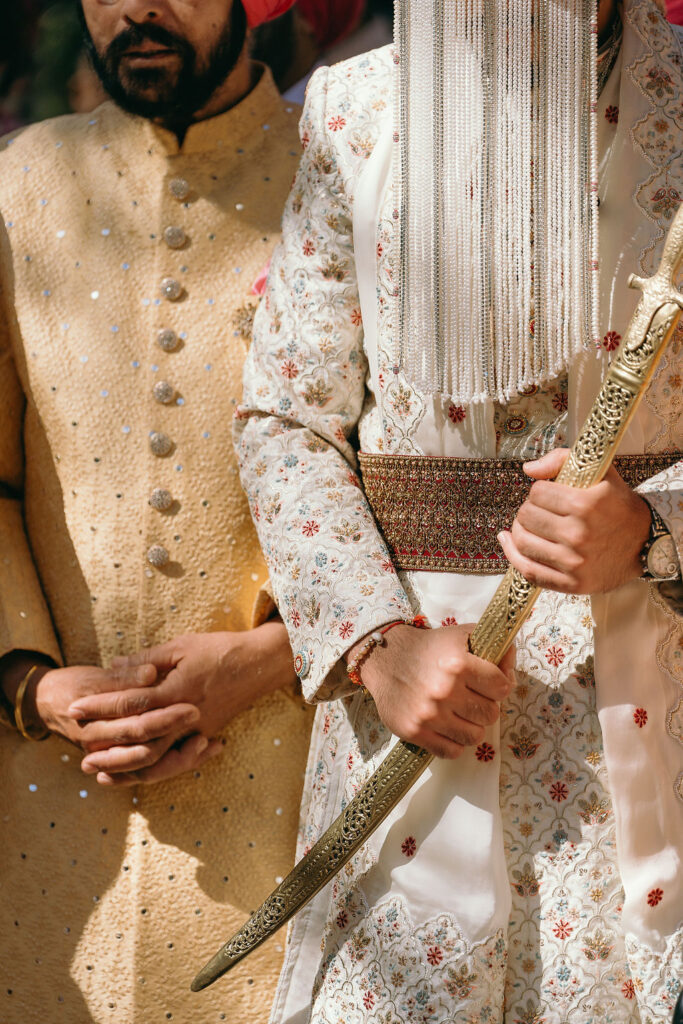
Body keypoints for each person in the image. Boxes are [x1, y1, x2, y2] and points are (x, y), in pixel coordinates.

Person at [235, 0, 683, 1020]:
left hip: (647, 723)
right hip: (407, 727)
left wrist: (652, 528)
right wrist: (374, 643)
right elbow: (283, 417)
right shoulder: (353, 108)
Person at [0, 1, 314, 1021]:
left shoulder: (346, 170)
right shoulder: (17, 183)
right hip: (39, 805)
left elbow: (410, 485)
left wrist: (271, 656)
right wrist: (31, 684)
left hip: (287, 774)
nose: (135, 8)